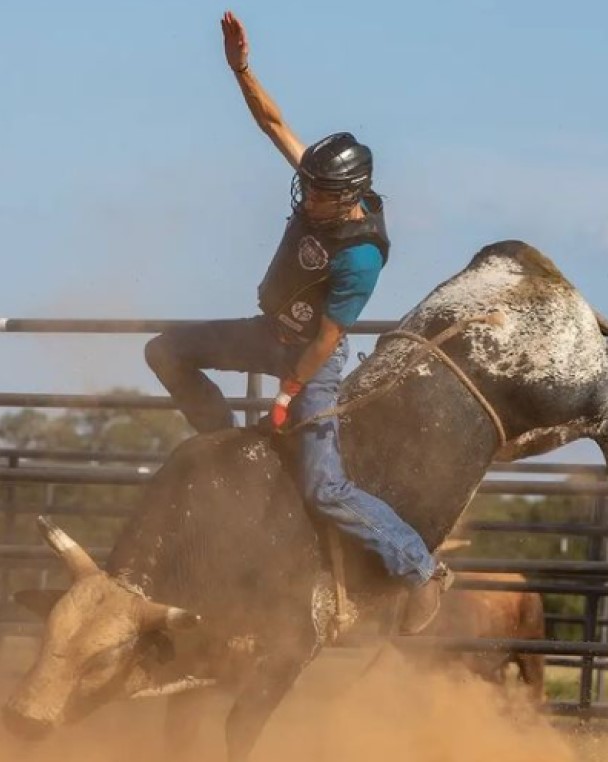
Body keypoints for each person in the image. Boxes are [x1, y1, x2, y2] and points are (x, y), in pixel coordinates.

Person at [145, 10, 451, 634]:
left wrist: (287, 395)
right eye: (306, 184)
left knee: (325, 490)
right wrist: (241, 69)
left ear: (347, 194)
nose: (304, 196)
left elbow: (329, 338)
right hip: (268, 331)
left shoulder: (362, 253)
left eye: (316, 192)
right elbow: (274, 122)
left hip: (311, 358)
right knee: (165, 350)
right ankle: (224, 449)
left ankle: (420, 568)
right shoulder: (321, 182)